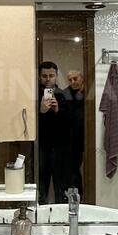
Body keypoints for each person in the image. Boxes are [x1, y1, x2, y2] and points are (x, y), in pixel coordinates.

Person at [37, 60, 67, 203]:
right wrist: (41, 112)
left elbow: (70, 124)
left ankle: (61, 213)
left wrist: (58, 111)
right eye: (44, 76)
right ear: (39, 77)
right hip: (40, 147)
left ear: (56, 76)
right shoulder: (33, 95)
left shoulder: (63, 95)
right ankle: (40, 212)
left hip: (59, 147)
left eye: (51, 75)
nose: (48, 79)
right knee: (40, 185)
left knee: (60, 185)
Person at [63, 69, 86, 200]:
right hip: (69, 139)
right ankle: (74, 197)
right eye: (70, 80)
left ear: (81, 78)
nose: (72, 82)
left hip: (84, 138)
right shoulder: (66, 93)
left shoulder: (88, 91)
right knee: (71, 169)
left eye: (75, 79)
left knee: (76, 168)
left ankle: (78, 197)